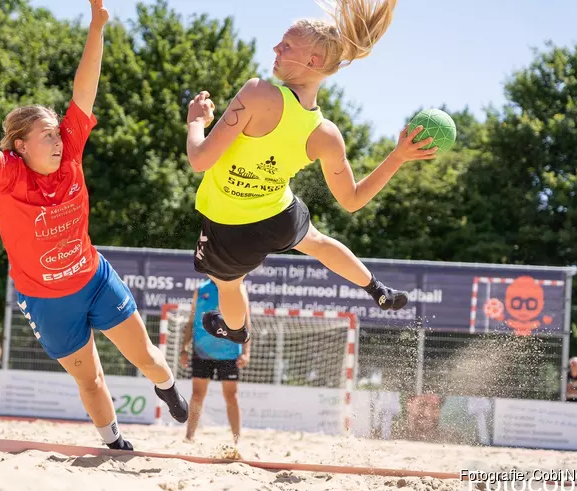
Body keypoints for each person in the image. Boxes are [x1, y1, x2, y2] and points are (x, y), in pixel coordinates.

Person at [0, 0, 188, 450]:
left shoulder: (70, 151)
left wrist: (97, 27)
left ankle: (168, 385)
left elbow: (85, 89)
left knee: (148, 359)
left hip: (94, 279)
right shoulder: (9, 171)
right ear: (20, 145)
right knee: (92, 381)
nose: (59, 139)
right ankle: (114, 443)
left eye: (59, 132)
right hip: (45, 300)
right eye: (48, 135)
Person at [185, 0, 437, 343]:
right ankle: (376, 289)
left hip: (230, 225)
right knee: (316, 242)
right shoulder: (326, 134)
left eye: (286, 44)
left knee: (228, 285)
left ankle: (236, 330)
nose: (275, 47)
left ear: (312, 61)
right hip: (278, 215)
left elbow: (200, 159)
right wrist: (397, 156)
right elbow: (352, 200)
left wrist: (196, 122)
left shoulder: (258, 92)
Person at [180, 280, 250, 443]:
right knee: (197, 395)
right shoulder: (201, 289)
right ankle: (189, 437)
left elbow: (246, 322)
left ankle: (236, 440)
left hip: (230, 352)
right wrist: (184, 347)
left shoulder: (238, 287)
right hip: (201, 350)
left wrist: (246, 352)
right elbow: (191, 320)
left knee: (231, 397)